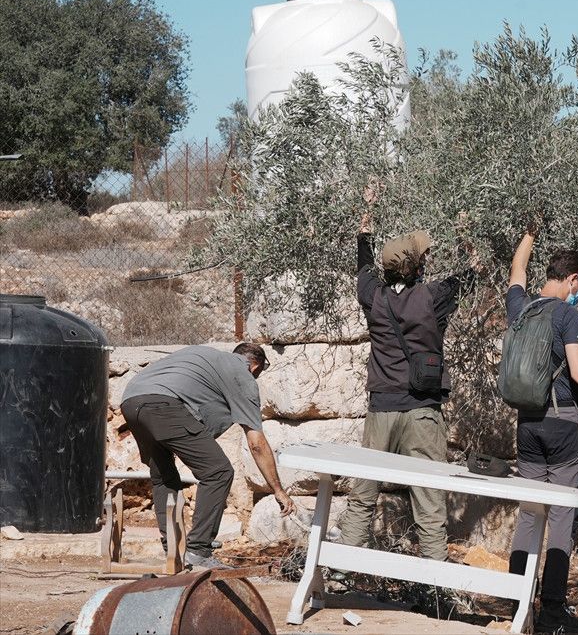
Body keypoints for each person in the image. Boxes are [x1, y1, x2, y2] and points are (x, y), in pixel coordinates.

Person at [338, 198, 477, 560]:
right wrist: (465, 235)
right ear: (417, 267)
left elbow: (363, 263)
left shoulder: (373, 297)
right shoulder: (433, 297)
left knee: (364, 491)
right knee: (428, 496)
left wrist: (366, 220)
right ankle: (434, 577)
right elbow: (473, 272)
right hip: (422, 412)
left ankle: (343, 565)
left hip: (381, 409)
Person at [505, 226, 578, 633]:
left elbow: (517, 269)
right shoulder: (566, 314)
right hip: (562, 424)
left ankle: (517, 604)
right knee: (561, 517)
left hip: (527, 424)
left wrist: (530, 232)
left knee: (529, 514)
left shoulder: (520, 306)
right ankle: (551, 614)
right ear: (573, 280)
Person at [121, 343, 295, 570]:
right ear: (255, 367)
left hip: (131, 401)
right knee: (219, 472)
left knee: (164, 477)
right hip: (163, 404)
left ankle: (173, 551)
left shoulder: (205, 357)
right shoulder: (242, 375)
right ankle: (198, 550)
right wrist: (278, 490)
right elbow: (257, 444)